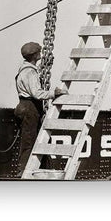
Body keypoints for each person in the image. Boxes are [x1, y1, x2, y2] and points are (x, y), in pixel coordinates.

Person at [13, 42, 67, 177]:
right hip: (29, 108)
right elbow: (37, 93)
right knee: (30, 140)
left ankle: (33, 168)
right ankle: (24, 171)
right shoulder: (30, 72)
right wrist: (54, 93)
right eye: (39, 53)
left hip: (24, 106)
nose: (40, 55)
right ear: (35, 55)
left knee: (30, 138)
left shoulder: (23, 69)